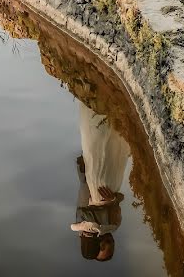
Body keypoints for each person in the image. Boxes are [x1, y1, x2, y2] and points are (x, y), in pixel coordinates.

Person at [71, 102, 130, 262]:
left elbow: (83, 193)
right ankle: (115, 107)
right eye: (110, 245)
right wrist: (113, 200)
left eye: (103, 247)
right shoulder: (113, 224)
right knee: (110, 144)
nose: (108, 242)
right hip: (107, 182)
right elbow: (119, 200)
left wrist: (83, 170)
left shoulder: (82, 222)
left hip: (93, 179)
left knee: (98, 141)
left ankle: (101, 104)